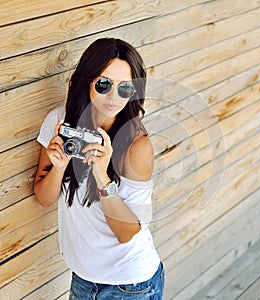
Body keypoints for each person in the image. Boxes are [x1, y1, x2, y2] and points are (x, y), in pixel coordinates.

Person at [34, 38, 164, 299]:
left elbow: (128, 233)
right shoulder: (59, 122)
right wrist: (59, 167)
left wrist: (102, 175)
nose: (114, 97)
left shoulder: (137, 146)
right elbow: (43, 197)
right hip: (83, 279)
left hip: (130, 285)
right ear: (87, 80)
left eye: (125, 88)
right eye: (104, 84)